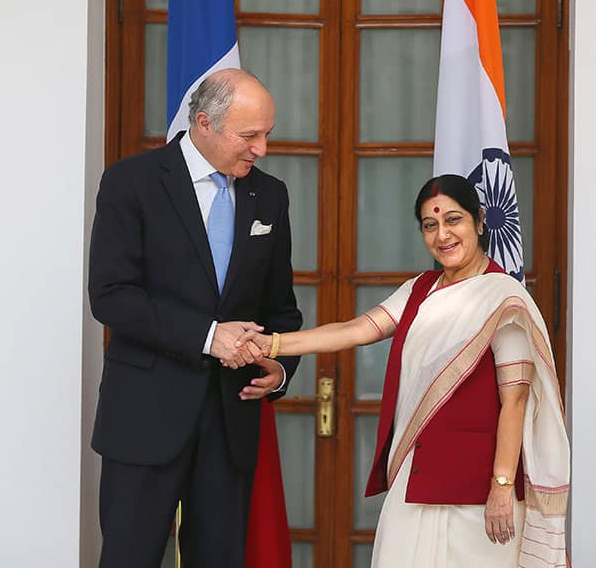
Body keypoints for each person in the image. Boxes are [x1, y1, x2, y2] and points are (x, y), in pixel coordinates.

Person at [237, 174, 570, 568]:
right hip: (417, 472)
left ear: (480, 221)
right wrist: (272, 344)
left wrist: (501, 485)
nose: (443, 235)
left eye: (453, 220)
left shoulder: (503, 297)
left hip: (477, 486)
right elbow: (356, 330)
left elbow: (515, 400)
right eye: (431, 225)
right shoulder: (420, 289)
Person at [88, 68, 302, 568]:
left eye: (267, 134)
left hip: (230, 424)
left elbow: (281, 308)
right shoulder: (130, 183)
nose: (262, 149)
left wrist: (279, 366)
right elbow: (111, 297)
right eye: (250, 136)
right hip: (144, 416)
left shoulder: (270, 196)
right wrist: (209, 337)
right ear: (204, 123)